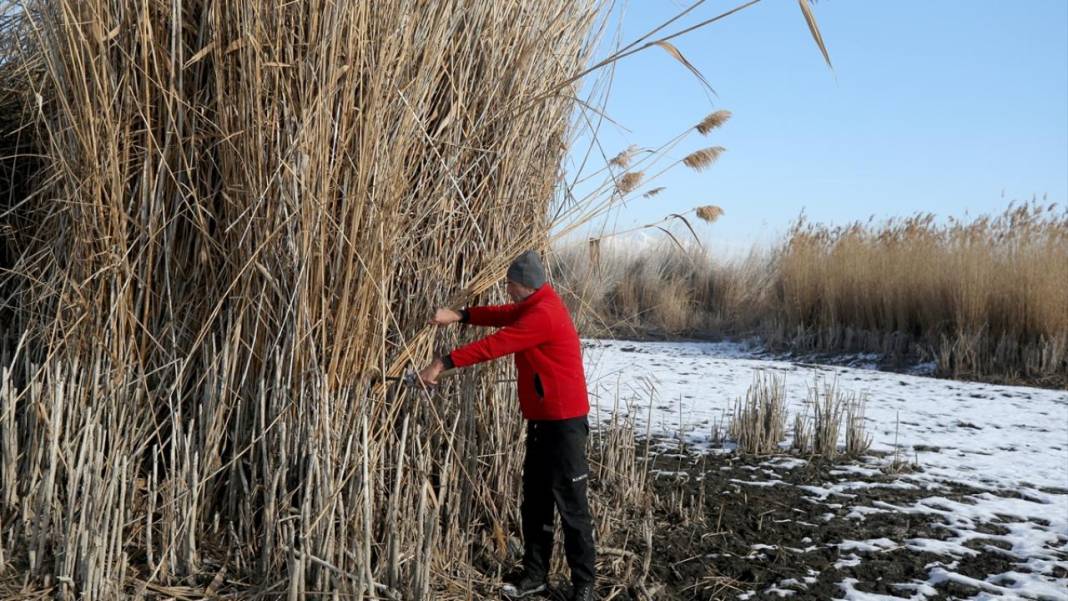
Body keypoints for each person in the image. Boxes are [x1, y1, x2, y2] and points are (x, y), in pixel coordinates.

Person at [418, 250, 596, 601]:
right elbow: (503, 314)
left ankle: (584, 585)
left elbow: (496, 345)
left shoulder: (544, 314)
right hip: (542, 421)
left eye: (510, 284)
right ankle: (536, 574)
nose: (507, 289)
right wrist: (461, 315)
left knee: (572, 506)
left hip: (565, 425)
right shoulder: (533, 303)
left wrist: (442, 363)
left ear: (525, 285)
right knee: (535, 501)